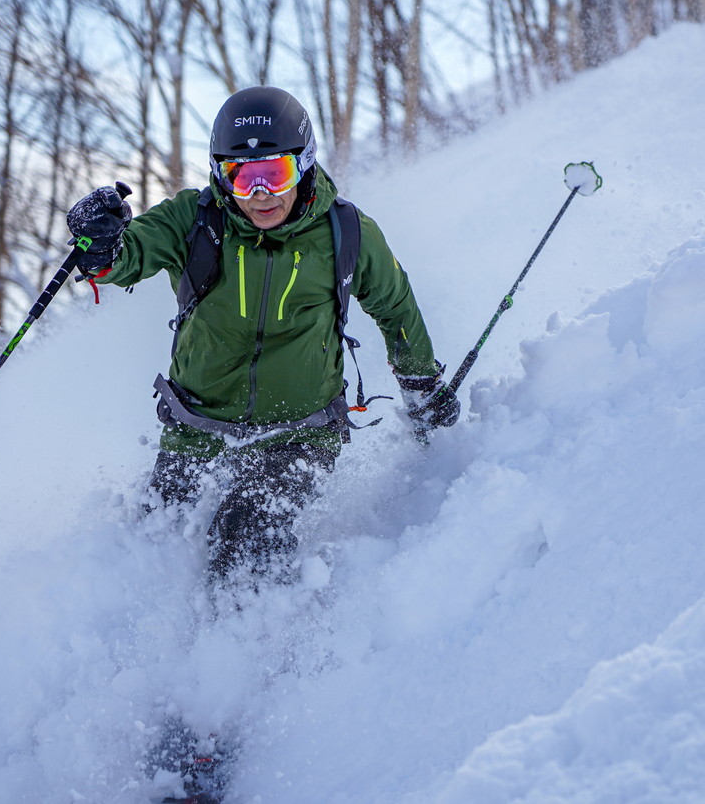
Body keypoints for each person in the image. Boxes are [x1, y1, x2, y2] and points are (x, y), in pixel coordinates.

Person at [66, 86, 459, 591]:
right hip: (195, 426)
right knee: (152, 546)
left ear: (305, 164)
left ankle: (252, 656)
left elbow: (395, 306)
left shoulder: (346, 232)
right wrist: (101, 245)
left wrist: (422, 383)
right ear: (219, 175)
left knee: (245, 535)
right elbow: (130, 254)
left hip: (299, 433)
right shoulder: (194, 219)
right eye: (241, 176)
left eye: (273, 173)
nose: (260, 195)